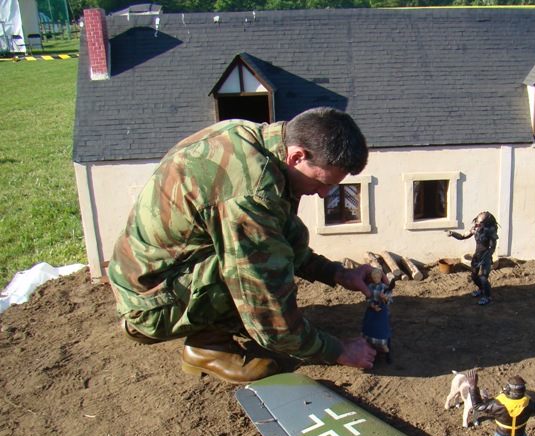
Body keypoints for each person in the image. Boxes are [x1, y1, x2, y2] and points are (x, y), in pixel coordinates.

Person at [108, 107, 382, 384]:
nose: (324, 194)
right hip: (152, 303)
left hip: (161, 271)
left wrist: (336, 273)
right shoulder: (251, 192)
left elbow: (280, 237)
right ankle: (207, 346)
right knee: (262, 270)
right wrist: (337, 349)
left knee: (283, 235)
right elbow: (267, 301)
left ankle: (216, 320)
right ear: (297, 156)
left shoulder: (252, 138)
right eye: (321, 182)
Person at [446, 212, 498, 305]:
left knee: (483, 278)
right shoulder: (475, 230)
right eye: (477, 223)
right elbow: (462, 237)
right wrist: (452, 234)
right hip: (477, 256)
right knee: (474, 276)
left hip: (485, 258)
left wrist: (486, 257)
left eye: (480, 223)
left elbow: (492, 248)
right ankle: (481, 289)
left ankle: (487, 296)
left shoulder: (490, 233)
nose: (477, 225)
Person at [361, 268, 393, 364]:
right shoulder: (370, 286)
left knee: (381, 330)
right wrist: (373, 305)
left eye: (377, 277)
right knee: (369, 328)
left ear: (380, 277)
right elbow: (368, 298)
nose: (375, 279)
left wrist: (385, 297)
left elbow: (390, 300)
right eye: (373, 277)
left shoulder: (384, 287)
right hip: (372, 311)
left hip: (381, 312)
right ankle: (369, 347)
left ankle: (387, 352)